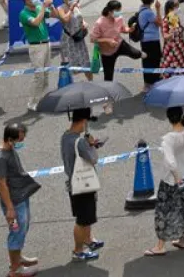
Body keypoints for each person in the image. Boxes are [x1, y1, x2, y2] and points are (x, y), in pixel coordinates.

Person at [146, 107, 184, 255]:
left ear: (169, 118)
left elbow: (170, 162)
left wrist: (177, 178)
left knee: (164, 211)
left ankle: (160, 246)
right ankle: (183, 240)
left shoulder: (168, 139)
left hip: (173, 180)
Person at [0, 122, 41, 276]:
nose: (20, 143)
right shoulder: (0, 158)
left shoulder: (9, 149)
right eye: (19, 140)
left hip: (20, 198)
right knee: (16, 232)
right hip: (13, 204)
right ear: (9, 139)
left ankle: (18, 258)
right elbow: (1, 183)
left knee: (22, 229)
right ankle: (15, 270)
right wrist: (10, 208)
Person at [62, 109, 105, 262]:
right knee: (82, 220)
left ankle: (88, 240)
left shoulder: (65, 136)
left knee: (86, 217)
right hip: (83, 184)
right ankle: (78, 250)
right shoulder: (79, 142)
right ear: (82, 121)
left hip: (73, 182)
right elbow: (93, 159)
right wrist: (91, 145)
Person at [16, 0, 57, 112]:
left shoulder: (40, 8)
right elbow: (35, 22)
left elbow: (54, 15)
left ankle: (39, 99)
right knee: (38, 76)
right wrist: (44, 6)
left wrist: (51, 4)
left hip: (46, 44)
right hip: (36, 47)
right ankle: (31, 103)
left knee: (45, 75)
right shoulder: (24, 13)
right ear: (26, 0)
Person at [53, 0, 91, 83]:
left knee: (85, 63)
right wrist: (71, 8)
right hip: (68, 40)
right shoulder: (60, 8)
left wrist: (84, 23)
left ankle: (91, 83)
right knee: (69, 64)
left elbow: (80, 18)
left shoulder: (77, 6)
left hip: (79, 38)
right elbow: (65, 19)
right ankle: (69, 86)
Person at [160, 0, 184, 76]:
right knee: (172, 74)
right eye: (176, 6)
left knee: (181, 73)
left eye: (178, 5)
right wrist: (172, 32)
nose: (178, 8)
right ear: (170, 8)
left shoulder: (176, 18)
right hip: (171, 51)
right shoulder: (166, 20)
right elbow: (165, 36)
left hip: (180, 49)